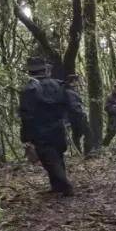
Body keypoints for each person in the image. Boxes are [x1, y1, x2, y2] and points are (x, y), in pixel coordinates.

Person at [20, 58, 84, 196]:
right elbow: (72, 105)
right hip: (58, 127)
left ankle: (66, 187)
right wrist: (73, 123)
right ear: (45, 70)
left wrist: (25, 136)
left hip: (40, 130)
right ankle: (56, 186)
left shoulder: (29, 89)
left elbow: (26, 115)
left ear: (30, 71)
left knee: (50, 159)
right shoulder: (58, 84)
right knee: (57, 156)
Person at [64, 74, 88, 155]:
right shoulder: (69, 91)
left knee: (77, 135)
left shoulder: (71, 90)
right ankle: (86, 152)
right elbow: (73, 105)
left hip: (75, 116)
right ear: (73, 81)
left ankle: (80, 152)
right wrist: (81, 113)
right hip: (76, 117)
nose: (78, 82)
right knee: (86, 133)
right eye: (77, 81)